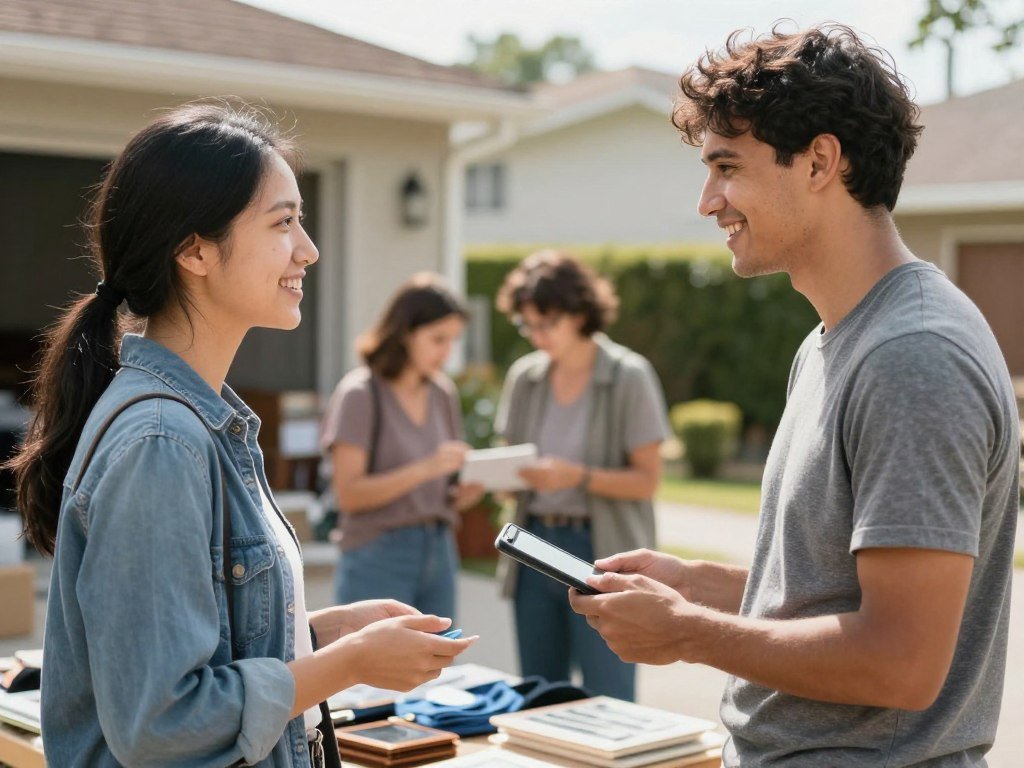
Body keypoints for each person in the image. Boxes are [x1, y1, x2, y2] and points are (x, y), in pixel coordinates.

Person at [569, 23, 1019, 766]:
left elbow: (900, 661)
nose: (708, 201)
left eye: (727, 167)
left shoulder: (912, 356)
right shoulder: (830, 344)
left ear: (819, 162)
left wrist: (687, 632)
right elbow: (835, 592)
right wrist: (698, 586)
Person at [7, 102, 475, 768]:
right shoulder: (162, 440)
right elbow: (164, 720)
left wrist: (316, 634)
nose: (308, 250)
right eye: (283, 223)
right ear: (194, 249)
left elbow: (202, 649)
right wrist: (348, 664)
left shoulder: (199, 424)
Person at [493, 251, 670, 702]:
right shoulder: (525, 378)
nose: (536, 336)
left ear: (579, 312)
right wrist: (501, 476)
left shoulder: (629, 376)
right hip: (533, 550)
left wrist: (576, 477)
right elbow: (509, 461)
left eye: (546, 323)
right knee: (539, 696)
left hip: (602, 553)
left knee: (608, 697)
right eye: (526, 325)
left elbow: (647, 480)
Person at [321, 273, 485, 619]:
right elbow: (349, 494)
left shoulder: (442, 393)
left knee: (438, 667)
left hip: (439, 548)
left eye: (453, 340)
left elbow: (444, 483)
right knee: (372, 670)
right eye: (438, 339)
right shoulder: (360, 394)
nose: (447, 352)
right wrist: (426, 468)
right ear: (405, 333)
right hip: (377, 553)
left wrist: (463, 494)